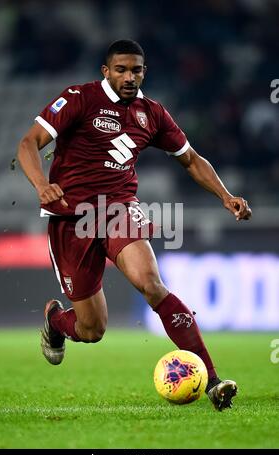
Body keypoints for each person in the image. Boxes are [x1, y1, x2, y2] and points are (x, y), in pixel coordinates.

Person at [17, 39, 252, 411]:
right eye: (122, 69)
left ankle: (212, 379)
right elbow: (29, 143)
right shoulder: (79, 99)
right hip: (70, 218)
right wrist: (42, 185)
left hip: (118, 209)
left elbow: (190, 159)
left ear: (145, 72)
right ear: (105, 71)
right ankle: (56, 321)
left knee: (152, 285)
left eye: (137, 70)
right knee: (91, 330)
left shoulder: (152, 114)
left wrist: (225, 196)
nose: (130, 77)